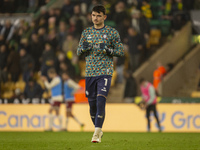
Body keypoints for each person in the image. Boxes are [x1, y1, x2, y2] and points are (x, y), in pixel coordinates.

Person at [77, 5, 124, 143]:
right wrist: (83, 49)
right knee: (92, 106)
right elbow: (79, 51)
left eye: (98, 15)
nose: (95, 18)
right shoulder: (86, 33)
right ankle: (99, 129)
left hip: (105, 72)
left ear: (104, 17)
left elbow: (120, 52)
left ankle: (96, 133)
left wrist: (109, 50)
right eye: (93, 15)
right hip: (90, 73)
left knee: (101, 100)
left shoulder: (112, 32)